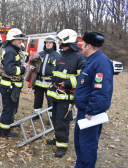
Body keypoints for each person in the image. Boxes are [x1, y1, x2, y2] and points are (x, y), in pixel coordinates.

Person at [74, 31, 113, 168]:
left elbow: (101, 91)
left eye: (83, 43)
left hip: (90, 114)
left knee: (87, 148)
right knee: (79, 145)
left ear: (88, 46)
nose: (81, 46)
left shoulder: (101, 62)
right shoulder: (91, 60)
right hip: (83, 111)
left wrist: (92, 111)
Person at [46, 29, 86, 158]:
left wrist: (68, 83)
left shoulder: (79, 56)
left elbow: (83, 78)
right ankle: (57, 139)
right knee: (54, 118)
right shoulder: (62, 54)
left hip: (65, 96)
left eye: (60, 40)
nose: (58, 42)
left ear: (67, 41)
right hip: (55, 94)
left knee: (62, 121)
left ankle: (62, 145)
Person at [0, 28, 26, 137]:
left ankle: (9, 123)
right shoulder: (10, 51)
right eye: (19, 39)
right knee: (8, 108)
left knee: (13, 107)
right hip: (9, 86)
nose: (21, 41)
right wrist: (23, 69)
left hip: (13, 86)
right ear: (12, 39)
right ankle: (4, 132)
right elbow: (9, 69)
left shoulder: (12, 49)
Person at [32, 35, 61, 122]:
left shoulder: (57, 56)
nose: (48, 44)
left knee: (51, 100)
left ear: (54, 44)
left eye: (50, 43)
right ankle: (37, 114)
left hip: (50, 82)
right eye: (47, 43)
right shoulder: (40, 54)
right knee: (37, 99)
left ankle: (51, 117)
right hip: (39, 81)